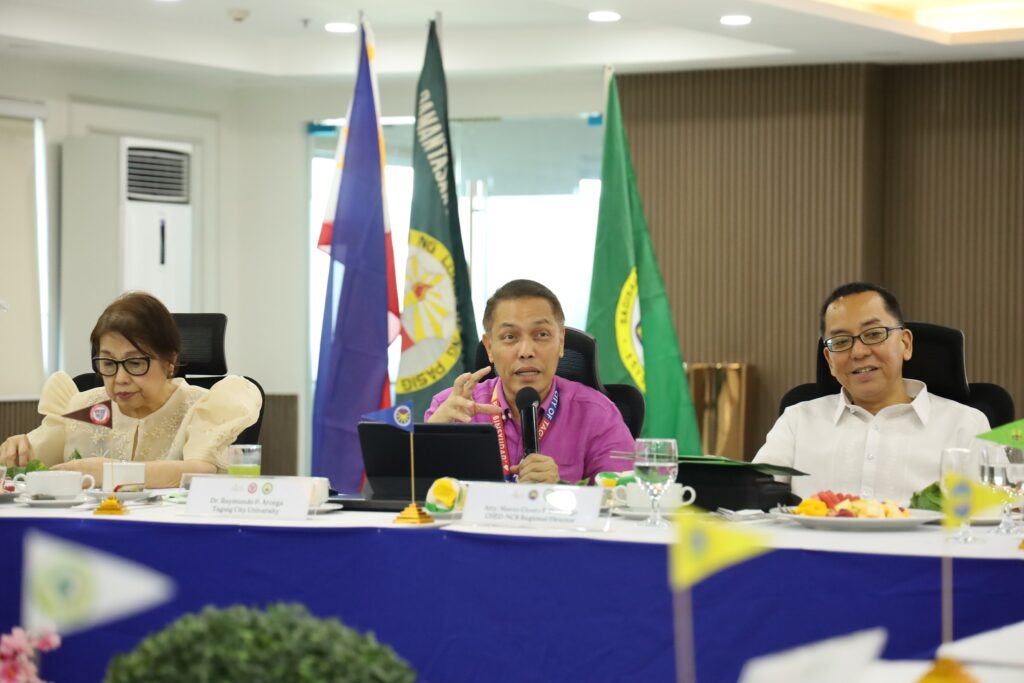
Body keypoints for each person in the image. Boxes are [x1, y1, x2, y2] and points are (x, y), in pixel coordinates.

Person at [753, 282, 990, 503]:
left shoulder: (966, 426)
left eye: (874, 334)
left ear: (905, 344)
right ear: (830, 360)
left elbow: (990, 518)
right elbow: (752, 501)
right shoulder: (797, 422)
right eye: (841, 341)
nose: (858, 352)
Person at [0, 292, 262, 488]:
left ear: (170, 362)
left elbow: (201, 472)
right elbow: (27, 461)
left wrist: (112, 473)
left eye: (135, 363)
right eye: (108, 363)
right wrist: (16, 450)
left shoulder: (203, 407)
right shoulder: (85, 408)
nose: (120, 378)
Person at [425, 279, 635, 484]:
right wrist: (429, 439)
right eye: (510, 337)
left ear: (561, 342)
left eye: (541, 334)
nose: (526, 351)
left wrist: (560, 490)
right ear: (489, 347)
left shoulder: (598, 414)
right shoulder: (452, 409)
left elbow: (624, 497)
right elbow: (416, 495)